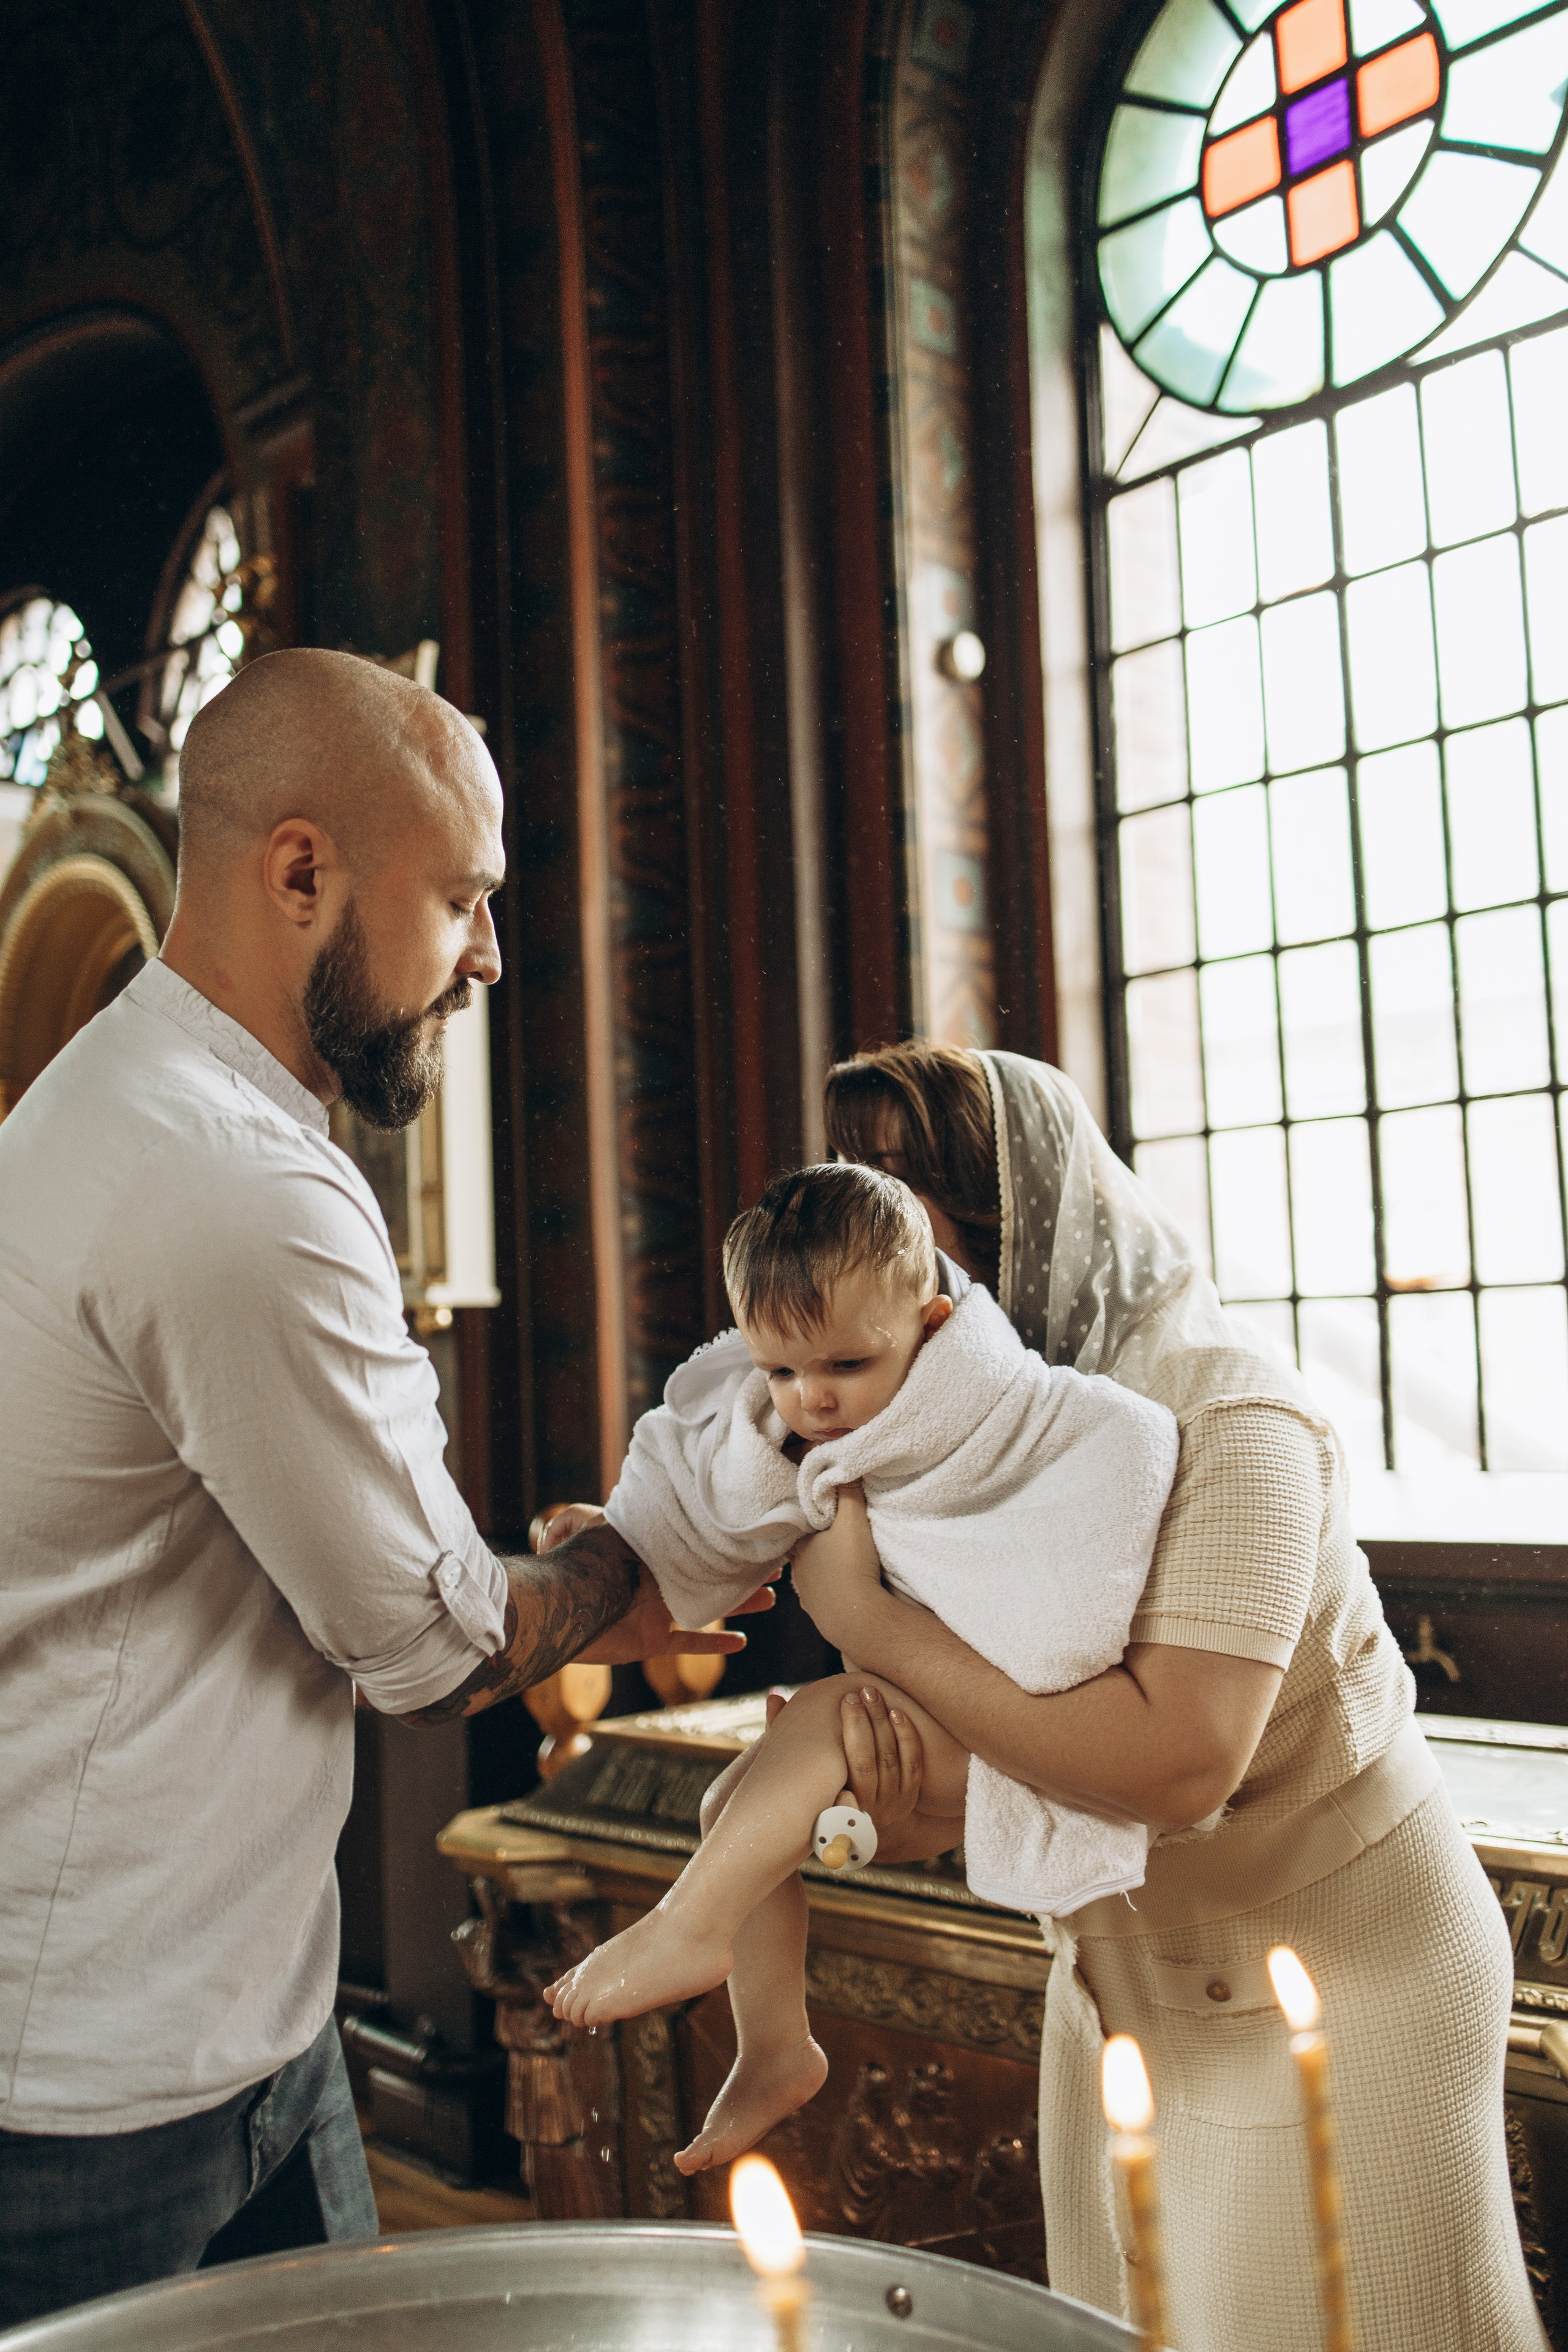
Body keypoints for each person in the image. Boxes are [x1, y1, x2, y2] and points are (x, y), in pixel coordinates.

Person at [0, 649, 762, 2329]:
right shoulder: (235, 1182)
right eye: (463, 899)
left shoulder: (118, 1098)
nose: (487, 954)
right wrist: (634, 1565)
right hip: (95, 2090)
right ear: (300, 873)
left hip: (257, 2033)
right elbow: (427, 1647)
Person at [807, 1039, 1545, 2352]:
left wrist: (870, 1624)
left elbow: (1178, 1761)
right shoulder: (972, 1437)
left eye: (893, 1193)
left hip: (1341, 1973)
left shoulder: (1229, 1410)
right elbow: (1001, 1736)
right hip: (1120, 1980)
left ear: (1011, 1213)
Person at [543, 1162, 1178, 2174]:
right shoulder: (802, 1428)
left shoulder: (1006, 1415)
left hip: (1031, 1720)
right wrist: (616, 1539)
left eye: (847, 1363)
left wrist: (872, 1623)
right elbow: (698, 1510)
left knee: (824, 1716)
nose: (815, 1399)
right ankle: (774, 2048)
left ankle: (689, 1924)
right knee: (729, 1811)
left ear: (932, 1324)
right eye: (781, 1373)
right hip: (928, 1708)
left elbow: (1087, 1504)